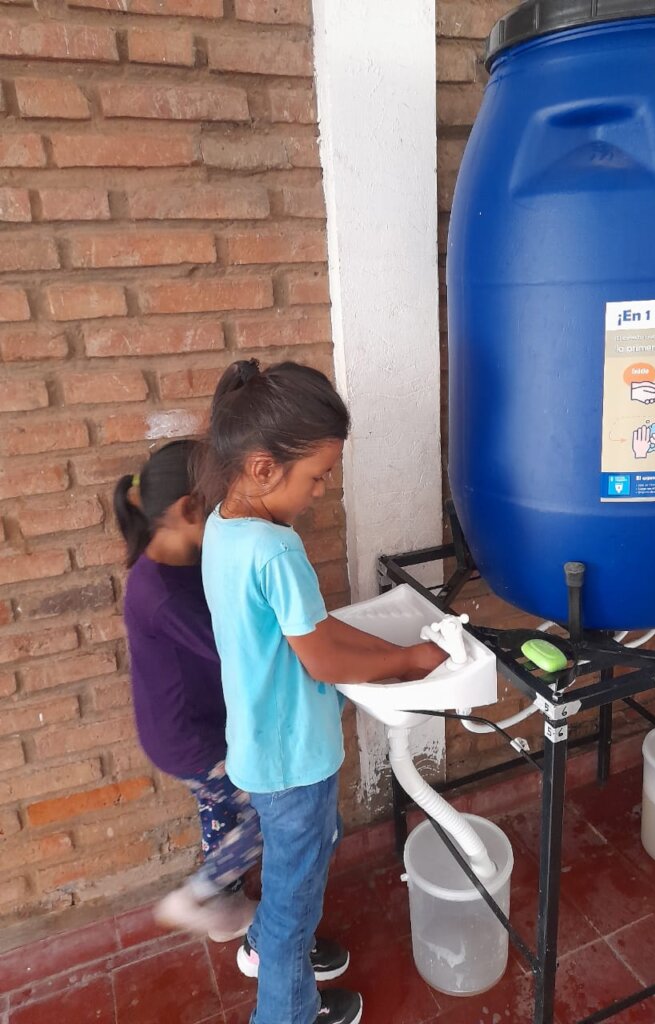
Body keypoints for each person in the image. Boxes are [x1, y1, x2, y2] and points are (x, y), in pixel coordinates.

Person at [193, 359, 447, 1024]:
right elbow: (327, 656)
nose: (322, 490)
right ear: (260, 467)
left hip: (261, 746)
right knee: (295, 905)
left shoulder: (224, 528)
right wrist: (408, 660)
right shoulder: (276, 551)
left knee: (301, 856)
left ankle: (262, 942)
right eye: (316, 476)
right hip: (296, 759)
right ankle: (287, 1010)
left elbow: (310, 634)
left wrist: (396, 653)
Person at [114, 439, 264, 942]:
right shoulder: (159, 592)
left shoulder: (174, 564)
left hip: (181, 730)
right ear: (187, 510)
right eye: (221, 507)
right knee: (273, 810)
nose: (230, 516)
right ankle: (198, 894)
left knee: (221, 809)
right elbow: (235, 649)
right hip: (193, 739)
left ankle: (222, 905)